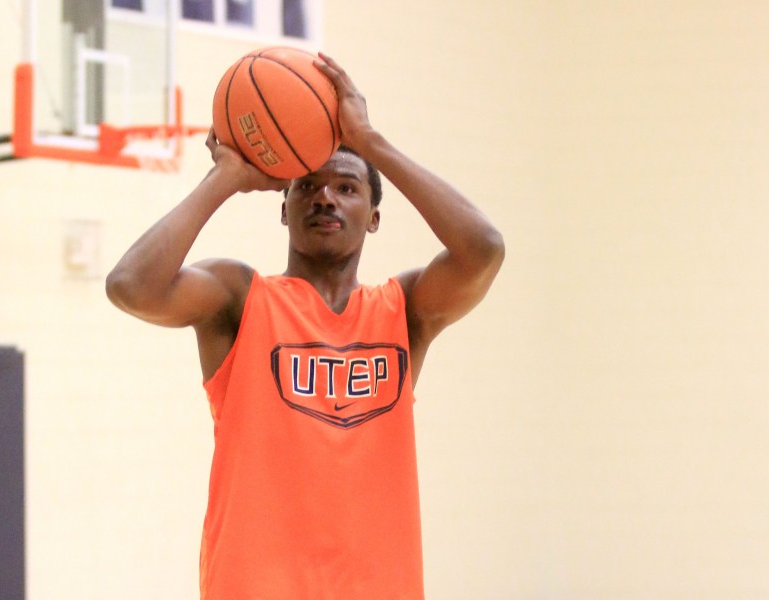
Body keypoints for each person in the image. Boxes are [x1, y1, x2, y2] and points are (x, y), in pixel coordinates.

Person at [106, 52, 504, 600]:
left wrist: (370, 143)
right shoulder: (240, 298)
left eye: (347, 187)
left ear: (375, 216)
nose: (325, 197)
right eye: (307, 186)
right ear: (284, 207)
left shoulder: (404, 310)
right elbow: (130, 285)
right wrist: (226, 178)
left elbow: (484, 249)